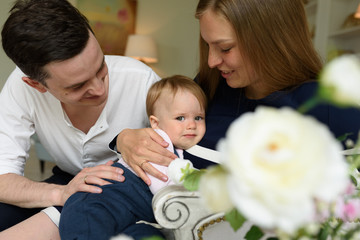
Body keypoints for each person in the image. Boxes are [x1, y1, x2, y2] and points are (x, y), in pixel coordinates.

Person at [115, 0, 360, 181]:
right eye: (207, 45)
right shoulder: (209, 86)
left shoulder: (331, 107)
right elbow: (163, 136)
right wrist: (124, 139)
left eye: (225, 48)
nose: (211, 61)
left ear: (271, 39)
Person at [0, 0, 176, 239]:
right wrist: (60, 194)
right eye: (78, 85)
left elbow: (185, 147)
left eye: (100, 68)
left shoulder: (141, 81)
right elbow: (3, 177)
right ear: (36, 84)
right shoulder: (20, 88)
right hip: (67, 178)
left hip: (128, 186)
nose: (99, 89)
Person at [59, 75, 207, 240]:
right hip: (108, 196)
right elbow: (165, 181)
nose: (191, 125)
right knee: (86, 223)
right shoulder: (158, 140)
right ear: (156, 123)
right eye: (180, 118)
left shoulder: (178, 149)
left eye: (198, 118)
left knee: (142, 234)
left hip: (135, 210)